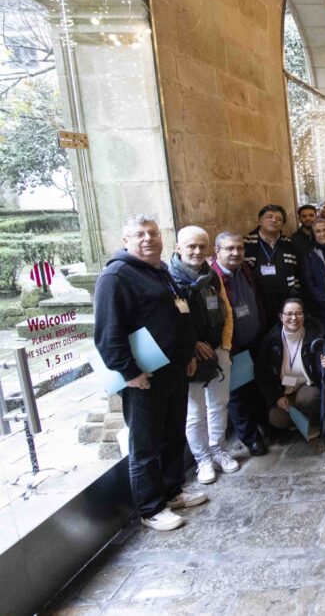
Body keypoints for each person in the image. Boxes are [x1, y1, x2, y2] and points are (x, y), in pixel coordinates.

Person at [95, 215, 203, 531]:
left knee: (172, 435)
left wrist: (187, 355)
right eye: (139, 234)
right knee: (145, 445)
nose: (148, 239)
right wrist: (130, 373)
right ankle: (151, 508)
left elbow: (179, 314)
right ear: (125, 240)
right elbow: (107, 333)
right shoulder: (116, 276)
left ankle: (172, 492)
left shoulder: (161, 272)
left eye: (153, 233)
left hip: (173, 371)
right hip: (144, 378)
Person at [169, 226, 240, 485]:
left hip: (218, 349)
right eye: (191, 246)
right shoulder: (169, 279)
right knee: (195, 411)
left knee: (219, 404)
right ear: (178, 248)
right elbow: (171, 321)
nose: (197, 251)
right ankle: (202, 459)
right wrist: (193, 345)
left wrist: (225, 345)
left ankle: (218, 448)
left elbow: (226, 310)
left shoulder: (212, 276)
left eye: (201, 246)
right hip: (188, 356)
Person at [210, 232, 269, 457]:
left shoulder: (244, 270)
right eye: (229, 249)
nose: (235, 253)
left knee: (254, 388)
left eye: (239, 248)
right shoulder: (213, 277)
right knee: (238, 394)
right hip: (233, 347)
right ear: (217, 251)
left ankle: (262, 428)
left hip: (253, 339)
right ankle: (250, 439)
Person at [255, 299, 325, 440]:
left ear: (304, 316)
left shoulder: (315, 333)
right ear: (281, 316)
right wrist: (276, 397)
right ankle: (299, 421)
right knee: (276, 418)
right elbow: (261, 372)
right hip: (284, 389)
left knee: (308, 400)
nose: (293, 318)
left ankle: (314, 421)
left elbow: (322, 369)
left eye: (298, 314)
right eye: (289, 314)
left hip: (307, 385)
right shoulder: (271, 339)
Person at [244, 204, 301, 328]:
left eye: (278, 219)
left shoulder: (289, 244)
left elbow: (296, 272)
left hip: (285, 300)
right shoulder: (247, 243)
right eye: (269, 217)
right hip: (258, 300)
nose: (274, 220)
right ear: (259, 221)